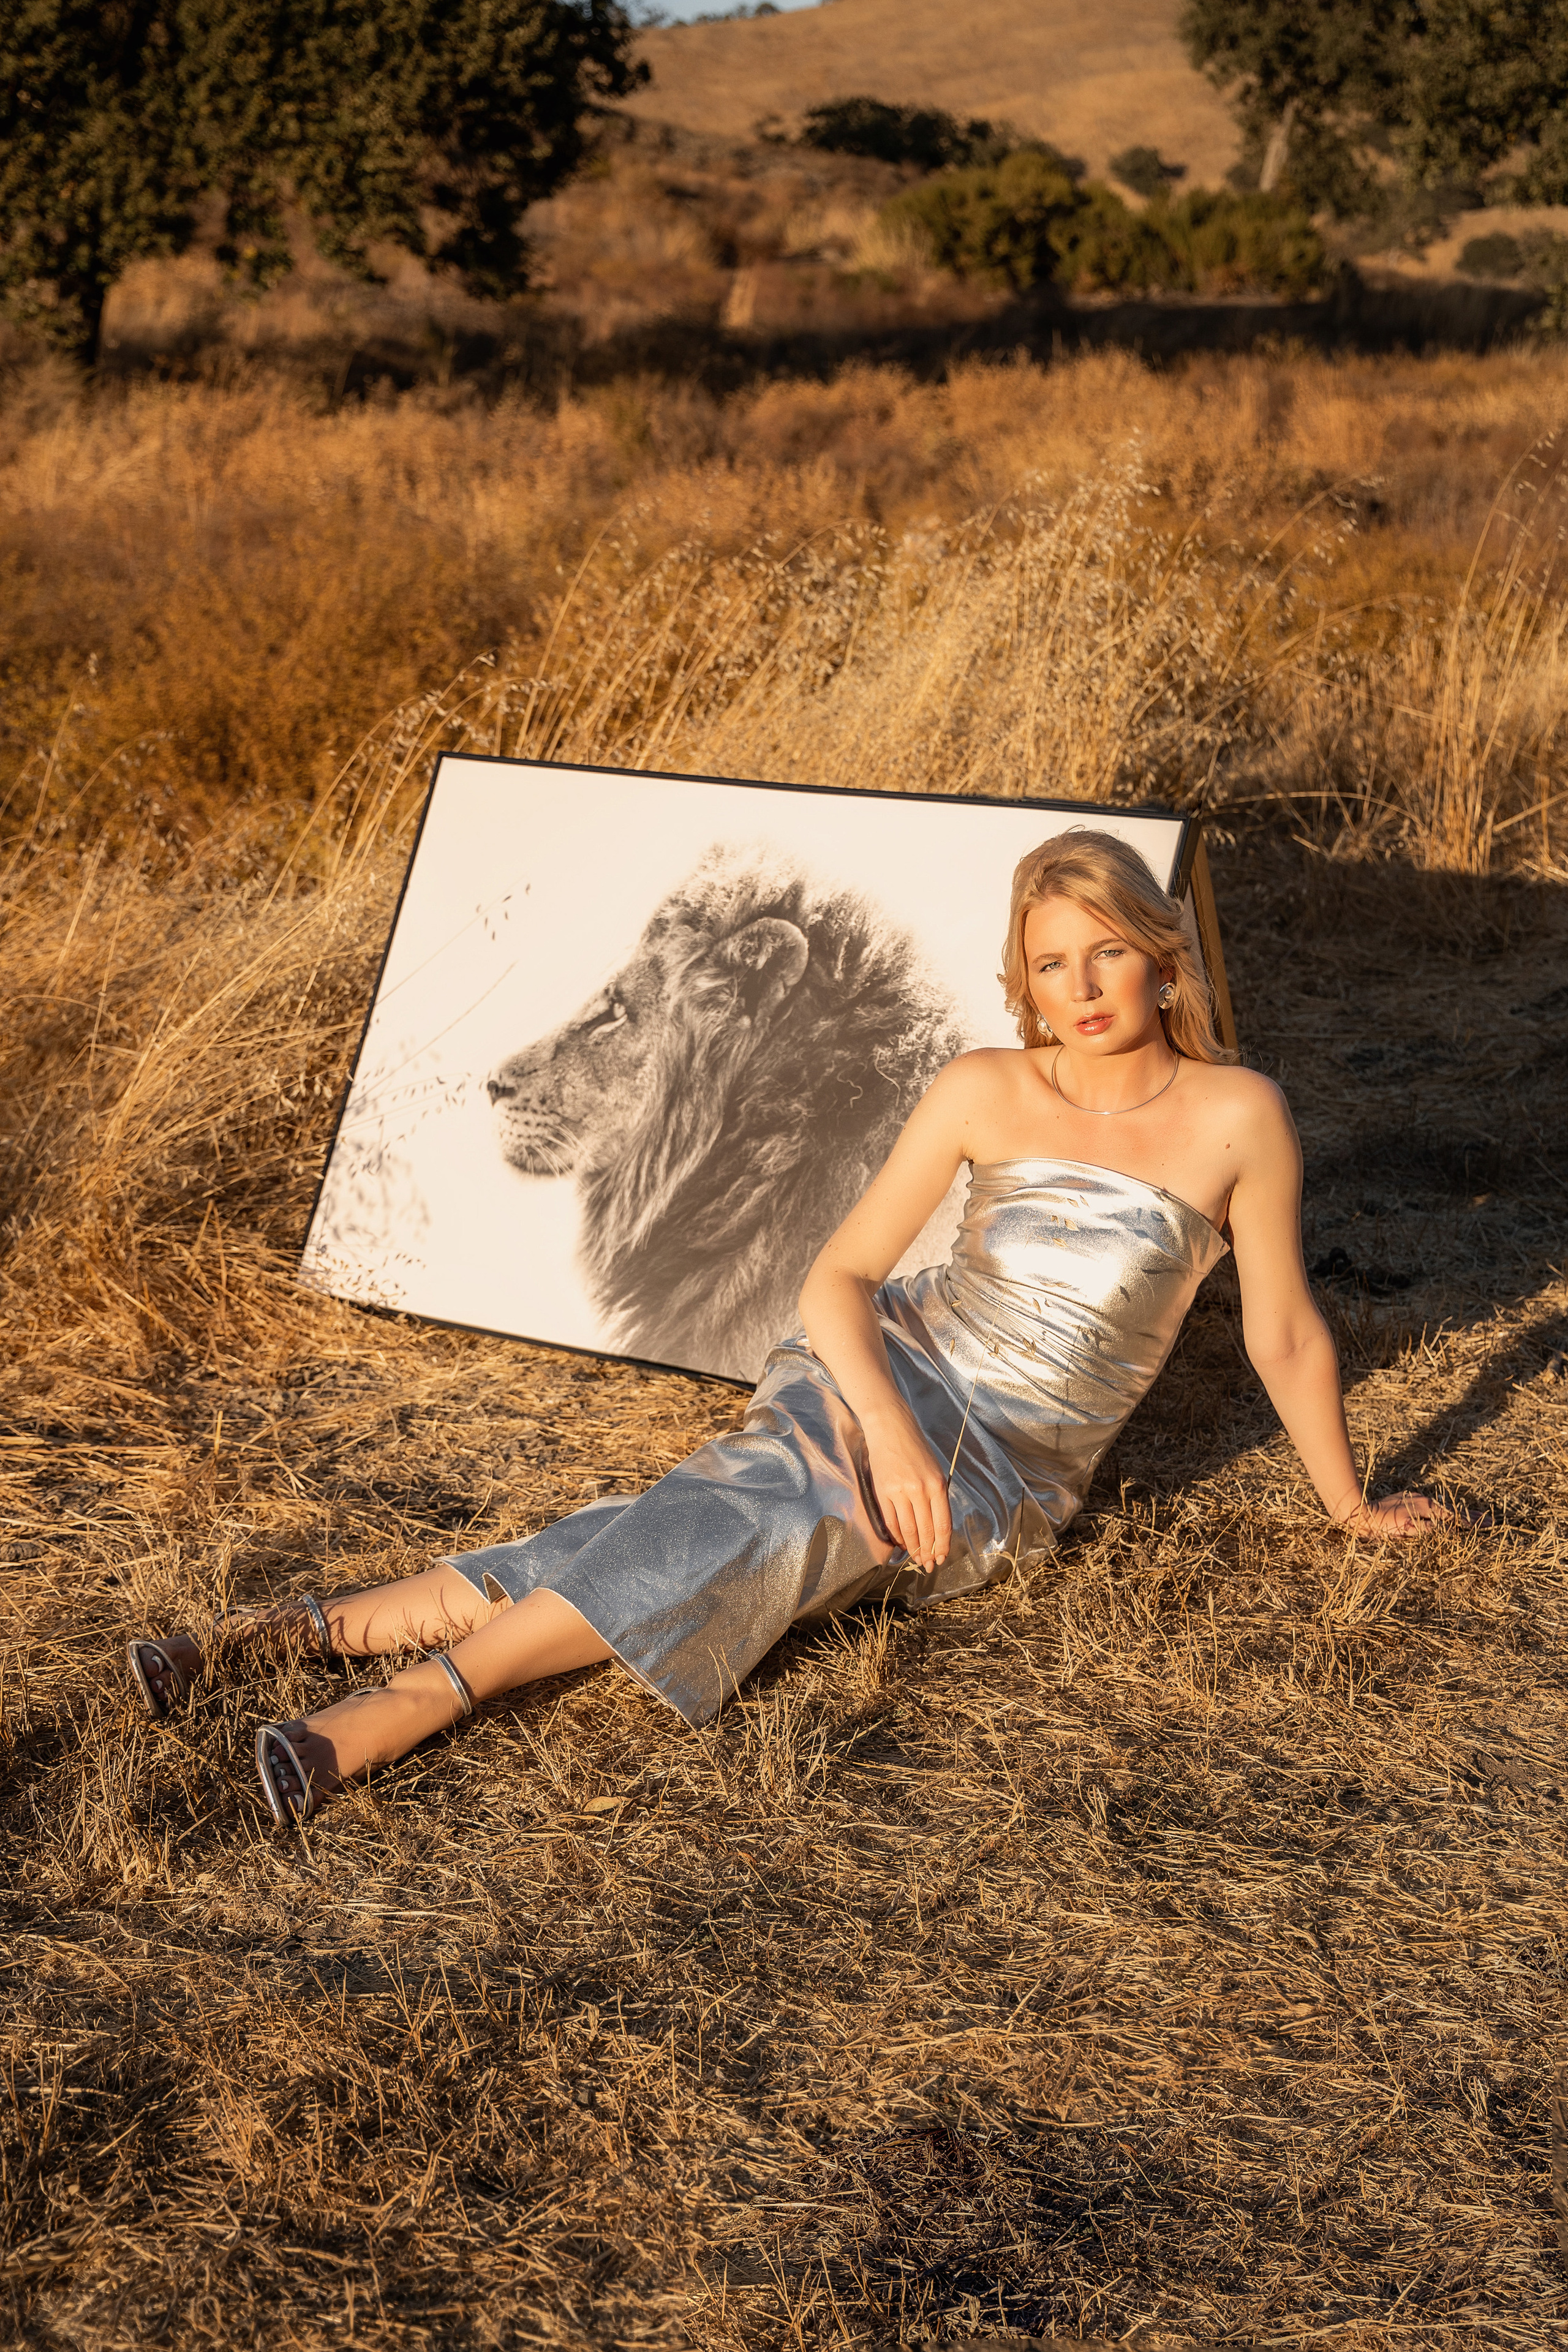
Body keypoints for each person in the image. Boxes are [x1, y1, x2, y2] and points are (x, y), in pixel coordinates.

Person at [127, 829, 1446, 1825]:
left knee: (726, 1520)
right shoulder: (986, 1086)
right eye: (1050, 964)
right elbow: (837, 1279)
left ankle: (280, 1639)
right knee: (783, 1500)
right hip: (885, 1374)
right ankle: (408, 1704)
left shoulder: (1237, 1115)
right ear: (1024, 983)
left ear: (1159, 951)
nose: (1082, 986)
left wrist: (1345, 1509)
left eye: (1105, 951)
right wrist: (888, 1424)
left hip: (1010, 1468)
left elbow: (1279, 1334)